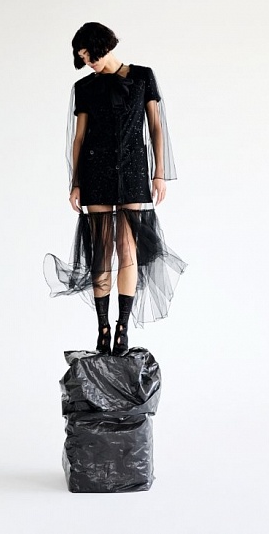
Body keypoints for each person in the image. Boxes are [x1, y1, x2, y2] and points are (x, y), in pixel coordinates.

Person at [43, 22, 187, 356]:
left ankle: (122, 328)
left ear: (102, 47)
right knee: (101, 250)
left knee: (127, 248)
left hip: (134, 171)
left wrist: (159, 174)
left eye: (88, 55)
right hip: (96, 172)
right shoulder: (84, 87)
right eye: (81, 58)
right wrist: (75, 182)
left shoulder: (142, 77)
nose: (87, 62)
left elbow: (156, 127)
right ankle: (102, 329)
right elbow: (79, 138)